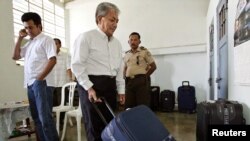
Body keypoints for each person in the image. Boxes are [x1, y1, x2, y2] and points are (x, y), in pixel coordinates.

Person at [71, 2, 125, 141]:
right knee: (94, 127)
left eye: (117, 21)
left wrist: (121, 90)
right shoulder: (86, 37)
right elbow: (77, 65)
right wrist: (89, 88)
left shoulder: (117, 43)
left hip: (110, 86)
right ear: (100, 19)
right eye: (112, 20)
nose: (115, 24)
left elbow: (119, 69)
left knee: (110, 126)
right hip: (92, 86)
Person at [12, 12, 59, 141]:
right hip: (30, 84)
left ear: (39, 26)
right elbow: (15, 56)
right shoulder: (30, 43)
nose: (28, 30)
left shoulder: (46, 40)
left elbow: (53, 60)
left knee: (45, 119)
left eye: (31, 27)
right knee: (37, 120)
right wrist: (20, 38)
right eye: (26, 28)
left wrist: (39, 78)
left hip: (42, 83)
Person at [123, 32, 157, 109]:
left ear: (139, 42)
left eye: (135, 40)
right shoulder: (126, 54)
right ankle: (131, 121)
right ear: (128, 42)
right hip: (129, 82)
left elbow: (153, 66)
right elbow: (125, 67)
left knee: (142, 105)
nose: (133, 42)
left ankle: (143, 121)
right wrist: (123, 78)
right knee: (129, 105)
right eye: (131, 40)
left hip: (141, 81)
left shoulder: (144, 52)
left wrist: (145, 77)